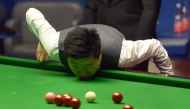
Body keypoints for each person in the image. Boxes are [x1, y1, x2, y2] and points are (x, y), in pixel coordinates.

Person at [26, 8, 173, 80]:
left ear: (99, 56)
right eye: (75, 66)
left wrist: (169, 76)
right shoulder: (54, 46)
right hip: (65, 36)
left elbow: (155, 46)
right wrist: (42, 40)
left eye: (88, 65)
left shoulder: (124, 54)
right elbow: (31, 12)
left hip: (112, 36)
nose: (82, 73)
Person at [85, 0, 162, 72]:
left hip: (131, 41)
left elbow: (150, 10)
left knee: (131, 84)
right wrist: (88, 43)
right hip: (100, 41)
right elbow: (90, 8)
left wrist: (139, 49)